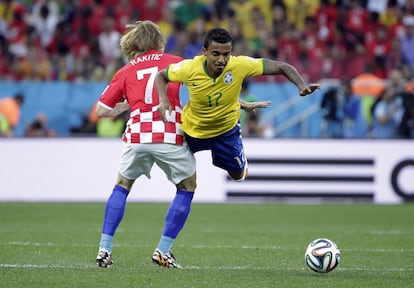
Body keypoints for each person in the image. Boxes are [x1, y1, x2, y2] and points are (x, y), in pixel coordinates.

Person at [94, 20, 197, 269]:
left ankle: (104, 249)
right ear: (158, 40)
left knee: (122, 185)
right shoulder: (176, 61)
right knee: (187, 187)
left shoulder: (126, 70)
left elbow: (101, 110)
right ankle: (163, 251)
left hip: (137, 134)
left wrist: (128, 104)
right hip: (169, 133)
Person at [156, 27, 320, 181]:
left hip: (226, 131)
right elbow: (161, 76)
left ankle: (230, 160)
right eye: (216, 54)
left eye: (226, 54)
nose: (222, 59)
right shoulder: (189, 68)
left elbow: (283, 67)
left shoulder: (239, 65)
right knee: (177, 175)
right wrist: (163, 101)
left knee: (238, 175)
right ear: (204, 52)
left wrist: (301, 86)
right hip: (192, 130)